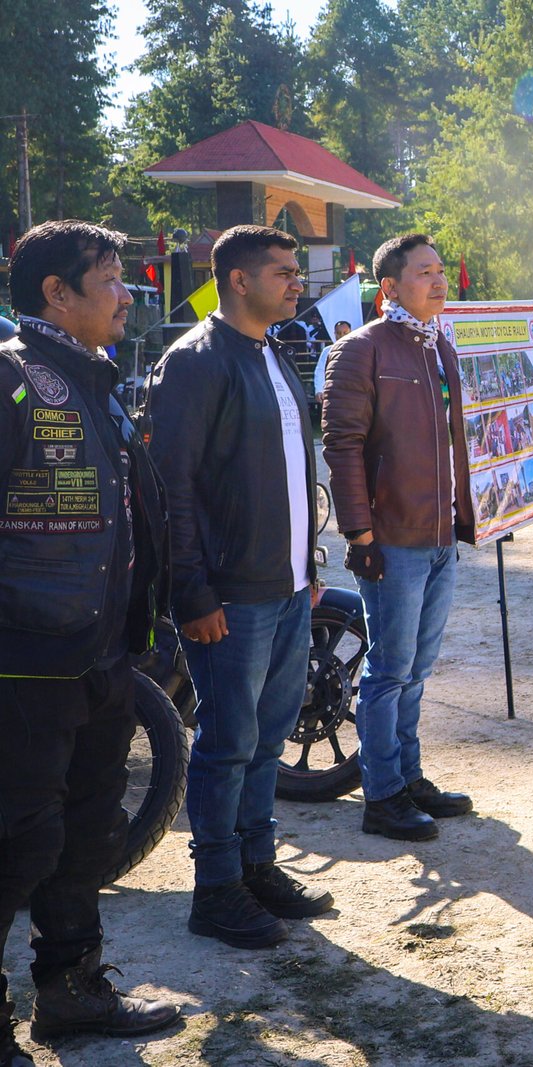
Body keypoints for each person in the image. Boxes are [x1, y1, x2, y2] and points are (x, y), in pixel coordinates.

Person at [0, 221, 179, 1064]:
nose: (126, 294)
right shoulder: (11, 378)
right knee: (19, 840)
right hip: (25, 660)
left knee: (88, 832)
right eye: (109, 278)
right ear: (56, 293)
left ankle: (72, 991)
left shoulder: (97, 380)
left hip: (106, 655)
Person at [146, 225, 333, 950]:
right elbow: (171, 488)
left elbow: (292, 471)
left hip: (286, 588)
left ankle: (257, 865)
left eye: (295, 271)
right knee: (227, 743)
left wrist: (307, 566)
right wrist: (192, 592)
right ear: (238, 280)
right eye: (283, 272)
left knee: (268, 738)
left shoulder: (274, 352)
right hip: (229, 597)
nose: (297, 283)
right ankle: (216, 888)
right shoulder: (194, 362)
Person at [323, 232, 478, 842]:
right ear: (389, 286)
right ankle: (382, 795)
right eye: (423, 273)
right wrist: (359, 534)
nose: (438, 282)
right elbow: (342, 447)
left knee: (417, 668)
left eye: (440, 271)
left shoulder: (440, 346)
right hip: (391, 539)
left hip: (439, 536)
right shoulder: (361, 350)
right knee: (388, 671)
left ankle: (409, 777)